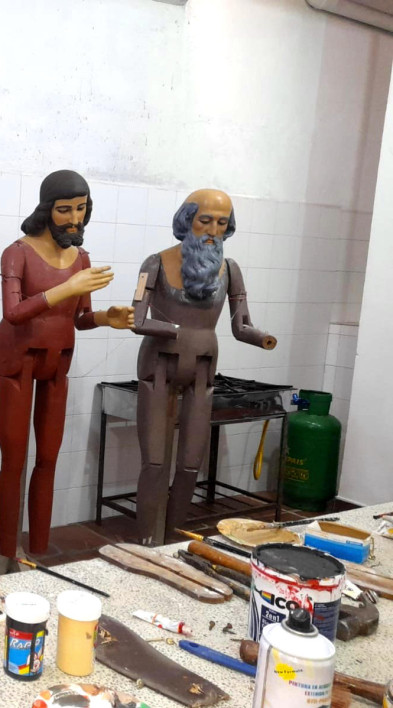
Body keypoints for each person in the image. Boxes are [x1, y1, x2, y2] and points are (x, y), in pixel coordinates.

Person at [0, 170, 133, 560]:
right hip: (18, 365)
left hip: (57, 366)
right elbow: (14, 312)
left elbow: (81, 319)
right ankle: (7, 554)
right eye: (64, 210)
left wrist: (107, 317)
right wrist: (66, 288)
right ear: (46, 209)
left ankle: (37, 551)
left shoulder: (81, 258)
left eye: (81, 209)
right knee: (14, 460)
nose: (74, 219)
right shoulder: (17, 252)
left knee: (49, 458)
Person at [131, 188, 276, 544]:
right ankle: (148, 540)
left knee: (190, 463)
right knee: (154, 462)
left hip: (202, 371)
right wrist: (174, 330)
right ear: (187, 220)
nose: (213, 230)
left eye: (221, 223)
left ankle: (176, 537)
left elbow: (240, 325)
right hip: (159, 368)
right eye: (205, 220)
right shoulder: (155, 263)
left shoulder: (229, 270)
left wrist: (261, 337)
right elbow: (137, 318)